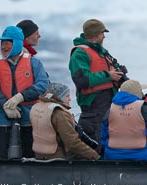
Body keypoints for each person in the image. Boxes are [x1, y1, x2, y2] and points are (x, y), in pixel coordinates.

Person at [0, 26, 49, 160]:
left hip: (29, 118)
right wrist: (6, 105)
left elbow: (42, 84)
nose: (4, 46)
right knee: (3, 154)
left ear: (18, 43)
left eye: (9, 42)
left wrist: (20, 97)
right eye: (2, 43)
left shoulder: (34, 63)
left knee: (29, 154)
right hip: (2, 118)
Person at [68, 19, 128, 151]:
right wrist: (108, 75)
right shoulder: (80, 54)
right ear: (96, 35)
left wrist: (120, 74)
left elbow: (113, 71)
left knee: (109, 140)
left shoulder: (101, 52)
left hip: (108, 104)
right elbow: (81, 80)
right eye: (102, 33)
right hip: (93, 107)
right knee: (97, 142)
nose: (104, 36)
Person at [30, 82, 100, 160]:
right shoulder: (59, 113)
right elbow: (72, 142)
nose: (70, 99)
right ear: (60, 97)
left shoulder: (36, 107)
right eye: (67, 96)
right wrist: (95, 156)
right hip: (58, 157)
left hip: (39, 155)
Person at [101, 80, 147, 160]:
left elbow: (103, 136)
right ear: (137, 93)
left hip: (112, 155)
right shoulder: (143, 109)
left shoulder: (110, 109)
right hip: (141, 156)